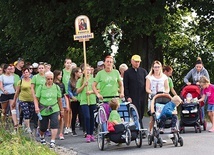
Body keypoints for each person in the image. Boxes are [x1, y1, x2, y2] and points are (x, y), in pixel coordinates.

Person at [34, 71, 64, 148]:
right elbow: (36, 98)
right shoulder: (41, 87)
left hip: (54, 108)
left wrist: (61, 110)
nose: (50, 80)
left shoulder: (56, 87)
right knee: (43, 127)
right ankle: (42, 136)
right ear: (45, 79)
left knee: (54, 124)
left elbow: (59, 99)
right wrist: (36, 107)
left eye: (51, 79)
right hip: (43, 108)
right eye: (48, 79)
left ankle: (52, 141)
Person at [123, 55, 147, 130]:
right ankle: (139, 128)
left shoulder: (143, 71)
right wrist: (127, 96)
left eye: (138, 62)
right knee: (136, 112)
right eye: (136, 62)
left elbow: (147, 83)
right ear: (132, 62)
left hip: (142, 95)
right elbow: (125, 86)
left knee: (141, 111)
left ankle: (139, 126)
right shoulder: (127, 73)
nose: (137, 63)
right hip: (132, 96)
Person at [146, 60, 169, 135]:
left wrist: (166, 92)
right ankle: (150, 131)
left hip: (162, 97)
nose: (157, 68)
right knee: (153, 116)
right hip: (153, 98)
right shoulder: (149, 77)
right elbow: (147, 88)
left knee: (162, 114)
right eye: (155, 67)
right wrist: (151, 93)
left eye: (158, 67)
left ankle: (161, 129)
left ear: (161, 68)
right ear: (153, 68)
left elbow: (167, 88)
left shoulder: (164, 77)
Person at [76, 64, 97, 143]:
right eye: (86, 70)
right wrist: (84, 85)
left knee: (92, 118)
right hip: (84, 101)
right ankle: (87, 133)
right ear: (83, 71)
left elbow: (98, 90)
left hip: (92, 101)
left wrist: (91, 92)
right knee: (87, 117)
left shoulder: (94, 80)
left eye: (89, 70)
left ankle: (91, 134)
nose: (88, 71)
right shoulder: (80, 80)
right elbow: (77, 91)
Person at [12, 68, 34, 133]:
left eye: (27, 72)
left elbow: (34, 90)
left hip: (31, 99)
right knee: (26, 113)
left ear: (29, 73)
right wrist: (14, 100)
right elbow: (17, 92)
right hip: (23, 99)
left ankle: (25, 123)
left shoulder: (32, 81)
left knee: (30, 113)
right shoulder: (20, 81)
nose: (25, 74)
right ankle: (28, 128)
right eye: (24, 72)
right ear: (22, 73)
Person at [0, 64, 18, 130]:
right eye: (8, 69)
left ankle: (16, 124)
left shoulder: (12, 76)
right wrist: (4, 90)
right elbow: (1, 85)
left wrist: (16, 91)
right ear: (5, 70)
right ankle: (2, 123)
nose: (10, 70)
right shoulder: (2, 77)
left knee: (13, 108)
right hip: (4, 94)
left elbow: (13, 85)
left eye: (10, 69)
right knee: (4, 110)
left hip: (11, 93)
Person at [53, 70, 70, 140]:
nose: (61, 76)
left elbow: (64, 94)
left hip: (62, 100)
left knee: (62, 117)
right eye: (60, 75)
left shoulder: (62, 84)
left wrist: (67, 104)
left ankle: (61, 132)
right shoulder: (53, 84)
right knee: (57, 117)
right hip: (55, 100)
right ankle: (54, 130)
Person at [68, 67, 82, 136]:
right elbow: (69, 90)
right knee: (74, 114)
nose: (80, 73)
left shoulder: (81, 80)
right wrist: (72, 97)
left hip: (80, 99)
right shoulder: (71, 81)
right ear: (75, 73)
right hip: (74, 99)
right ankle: (73, 129)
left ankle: (83, 128)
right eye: (79, 72)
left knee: (82, 113)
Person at [62, 58, 73, 134]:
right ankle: (66, 126)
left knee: (71, 110)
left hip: (72, 93)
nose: (69, 64)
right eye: (67, 63)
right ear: (65, 64)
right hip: (65, 93)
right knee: (67, 110)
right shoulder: (63, 72)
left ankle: (69, 126)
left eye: (70, 63)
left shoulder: (72, 72)